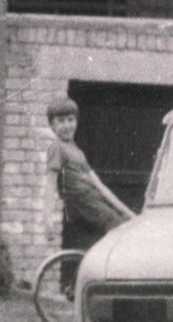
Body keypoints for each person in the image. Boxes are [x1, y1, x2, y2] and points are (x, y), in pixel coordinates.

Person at [44, 98, 134, 265]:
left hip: (91, 200)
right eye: (61, 121)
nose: (67, 125)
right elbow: (50, 184)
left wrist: (128, 213)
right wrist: (47, 219)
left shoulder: (77, 151)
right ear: (52, 125)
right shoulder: (57, 148)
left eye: (70, 120)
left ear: (76, 121)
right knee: (118, 231)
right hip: (81, 203)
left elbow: (99, 185)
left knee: (122, 228)